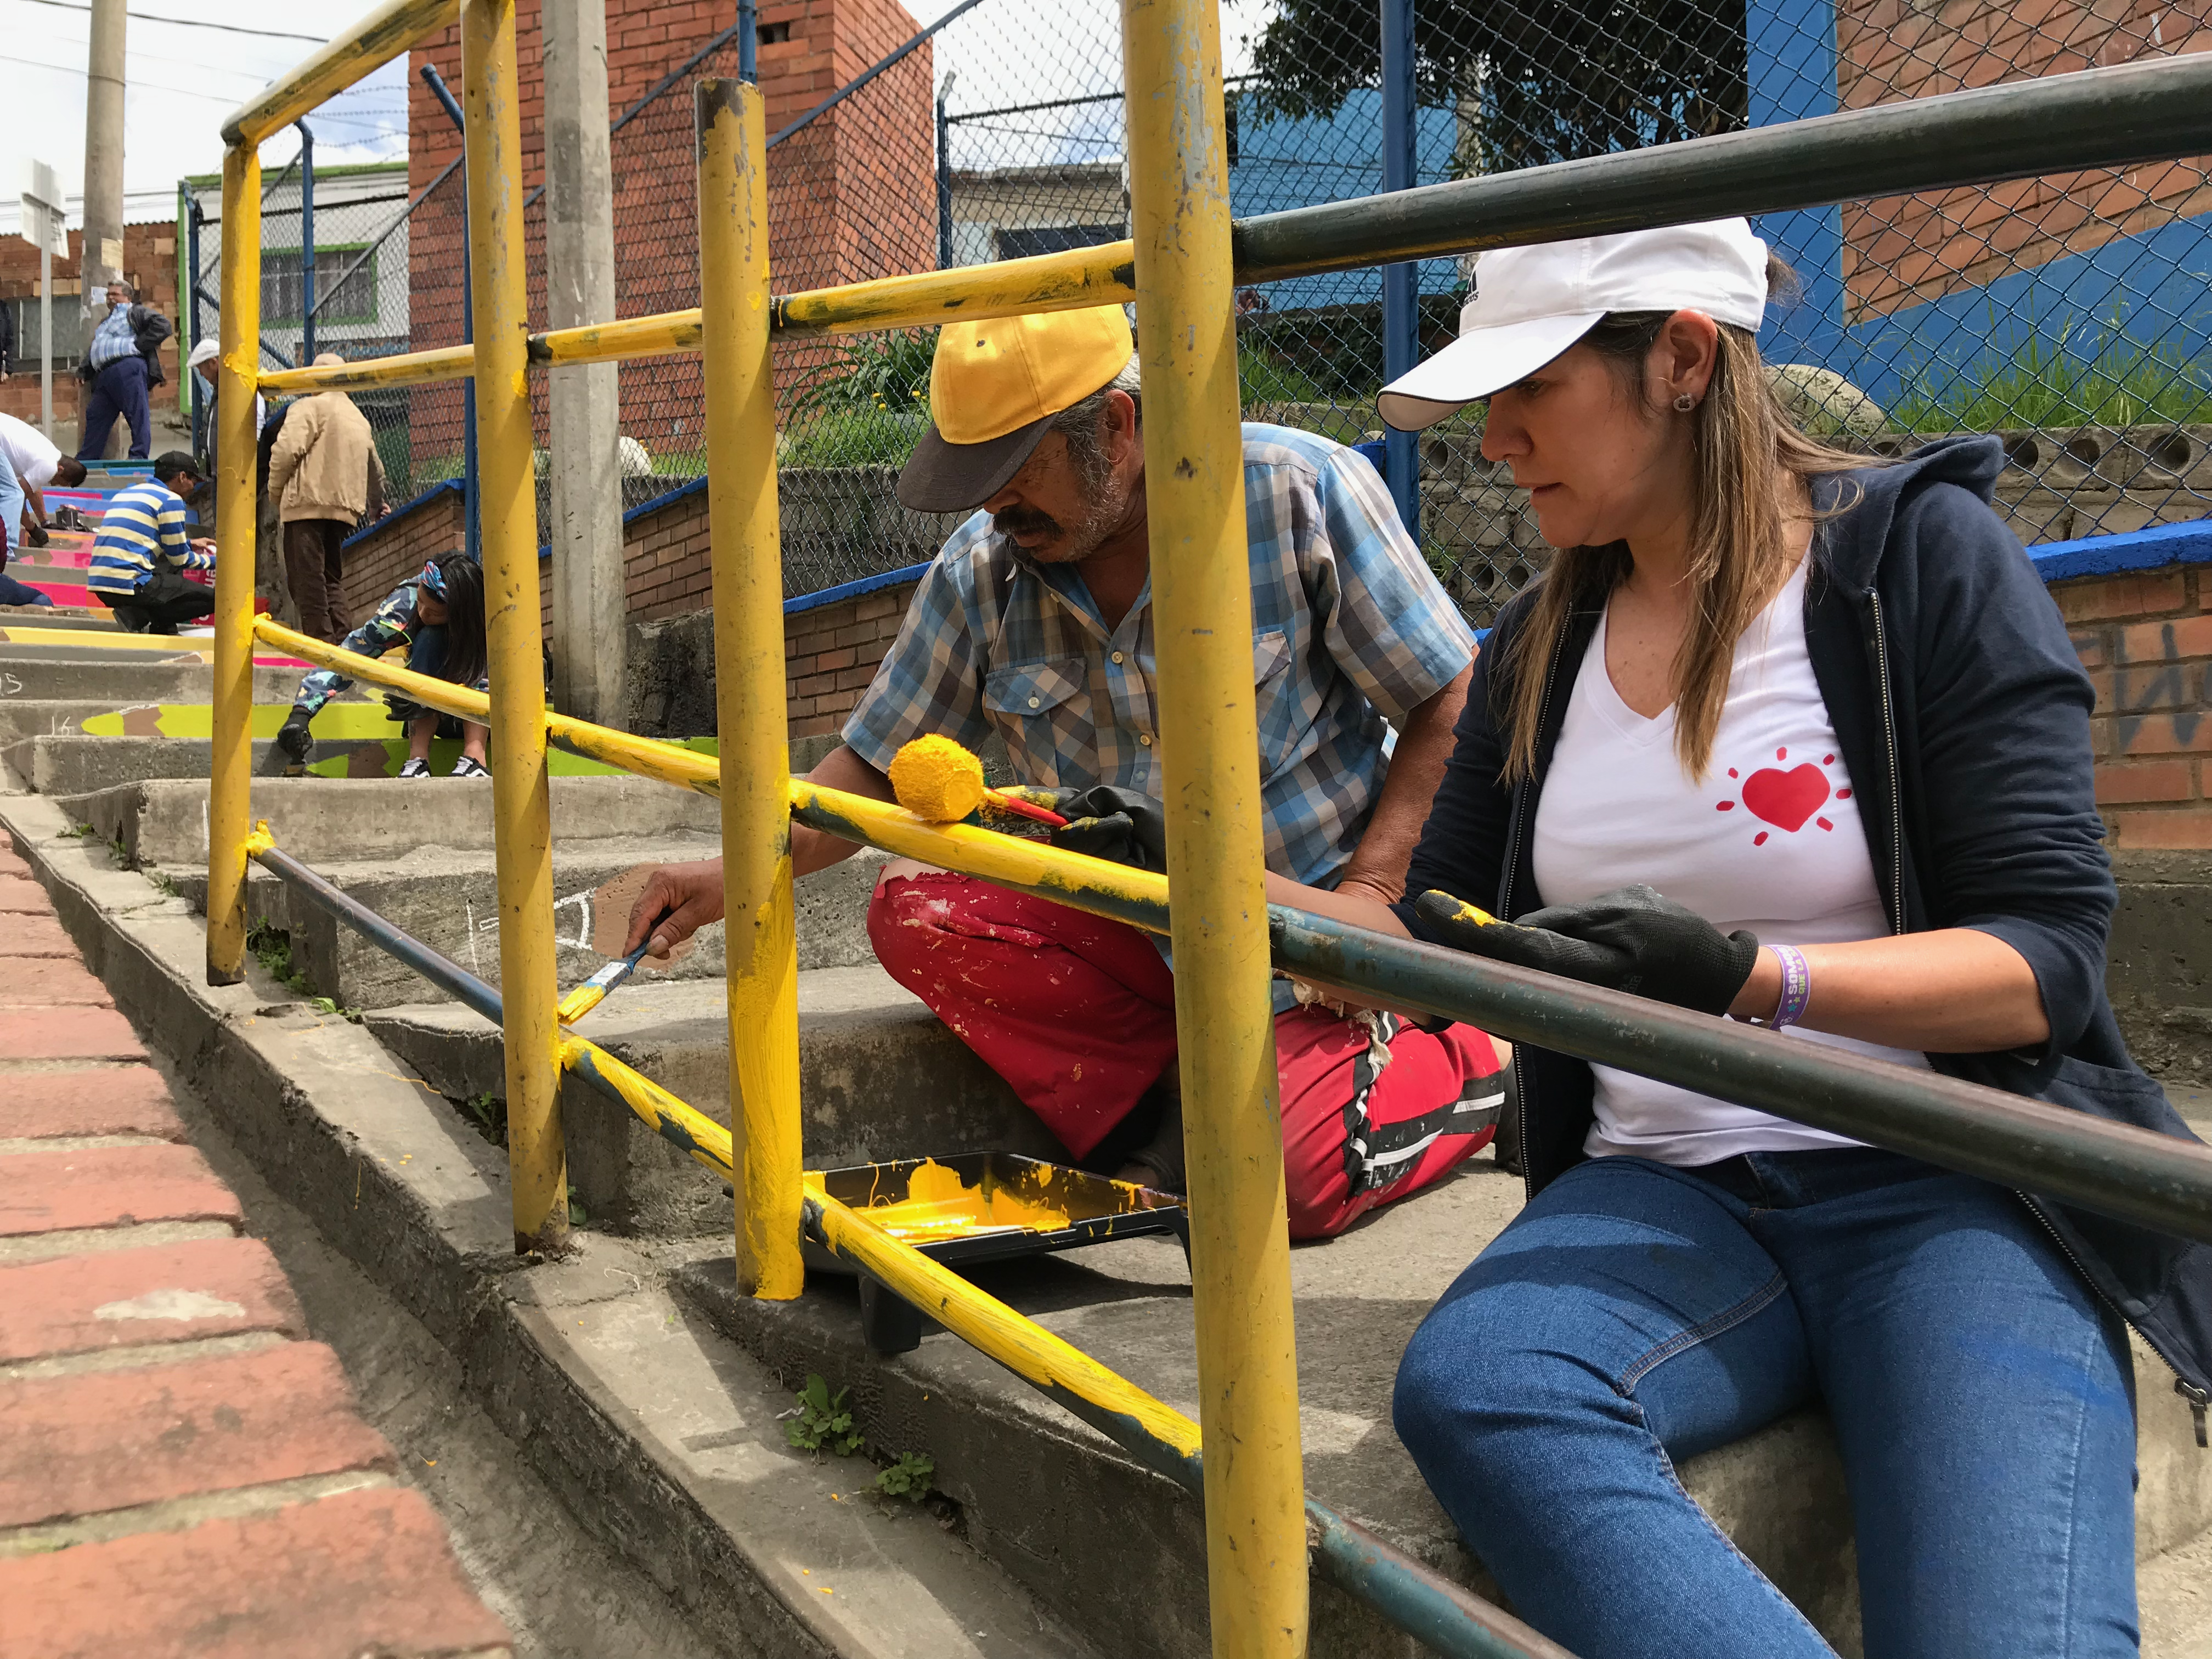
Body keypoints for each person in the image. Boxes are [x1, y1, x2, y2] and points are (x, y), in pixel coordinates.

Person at [1257, 220, 2212, 1658]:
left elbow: (2047, 963)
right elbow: (1416, 925)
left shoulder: (1920, 563)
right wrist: (1188, 881)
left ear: (1684, 361)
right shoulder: (1536, 642)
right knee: (1483, 1384)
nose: (1496, 438)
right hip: (1673, 1194)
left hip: (1946, 1178)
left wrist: (1749, 979)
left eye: (1532, 392)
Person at [622, 305, 1508, 1238]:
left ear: (1115, 430)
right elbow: (870, 772)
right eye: (975, 478)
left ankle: (1476, 1060)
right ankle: (1178, 1109)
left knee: (1277, 1183)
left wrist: (1368, 903)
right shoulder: (983, 569)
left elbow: (1451, 701)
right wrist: (727, 877)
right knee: (915, 898)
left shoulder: (1297, 491)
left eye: (1012, 469)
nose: (992, 503)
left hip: (1309, 939)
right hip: (1136, 937)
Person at [276, 552, 490, 778]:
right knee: (429, 638)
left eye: (434, 612)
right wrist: (301, 713)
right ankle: (417, 760)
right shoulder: (403, 606)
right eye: (421, 602)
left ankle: (475, 758)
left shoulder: (488, 612)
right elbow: (350, 656)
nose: (422, 613)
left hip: (489, 713)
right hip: (436, 711)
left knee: (481, 652)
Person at [264, 354, 388, 642]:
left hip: (306, 504)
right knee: (330, 578)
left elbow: (285, 452)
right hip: (344, 510)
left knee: (305, 580)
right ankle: (343, 642)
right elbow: (376, 470)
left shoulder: (309, 407)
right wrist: (375, 505)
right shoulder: (358, 418)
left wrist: (275, 493)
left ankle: (321, 646)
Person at [84, 450, 214, 633]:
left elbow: (142, 538)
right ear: (182, 477)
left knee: (166, 566)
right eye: (195, 481)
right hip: (131, 585)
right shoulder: (171, 500)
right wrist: (217, 562)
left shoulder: (127, 493)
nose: (194, 487)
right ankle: (140, 616)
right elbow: (181, 560)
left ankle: (154, 622)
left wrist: (189, 543)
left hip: (102, 584)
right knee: (218, 599)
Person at [76, 280, 172, 462]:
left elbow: (163, 326)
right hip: (104, 375)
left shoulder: (134, 312)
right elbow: (97, 347)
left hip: (128, 367)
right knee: (96, 414)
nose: (111, 298)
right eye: (109, 294)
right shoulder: (105, 322)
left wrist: (137, 345)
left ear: (127, 297)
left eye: (115, 294)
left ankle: (138, 456)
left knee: (136, 413)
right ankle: (85, 461)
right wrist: (84, 370)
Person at [0, 410, 88, 550]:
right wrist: (32, 528)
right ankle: (8, 549)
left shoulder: (50, 453)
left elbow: (33, 488)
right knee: (12, 496)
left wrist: (44, 522)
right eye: (60, 482)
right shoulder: (50, 466)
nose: (55, 484)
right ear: (61, 470)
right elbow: (20, 496)